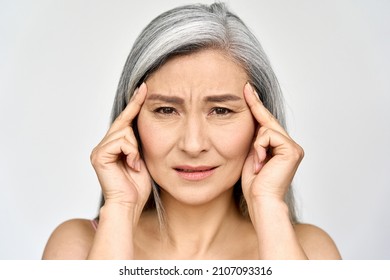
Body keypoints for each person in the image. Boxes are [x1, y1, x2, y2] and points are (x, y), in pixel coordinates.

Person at [42, 2, 341, 260]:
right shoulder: (77, 248)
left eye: (221, 110)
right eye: (166, 110)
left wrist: (269, 207)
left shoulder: (311, 252)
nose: (193, 144)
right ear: (130, 123)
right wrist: (120, 208)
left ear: (262, 123)